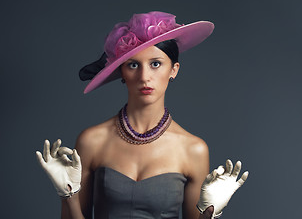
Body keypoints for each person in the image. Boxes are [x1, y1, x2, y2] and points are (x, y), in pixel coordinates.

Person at [36, 11, 249, 219]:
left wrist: (211, 214)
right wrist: (68, 195)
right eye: (133, 65)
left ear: (173, 70)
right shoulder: (92, 141)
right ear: (122, 72)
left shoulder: (193, 150)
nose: (144, 77)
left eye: (155, 64)